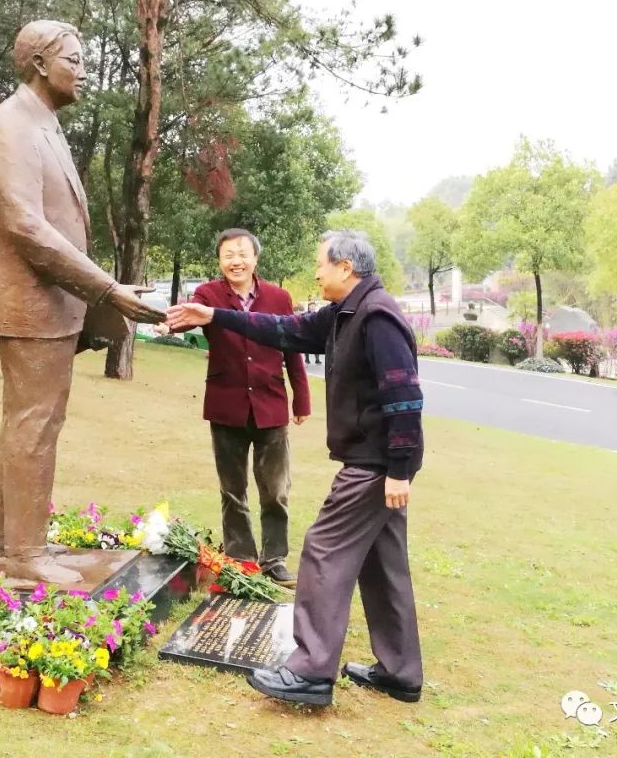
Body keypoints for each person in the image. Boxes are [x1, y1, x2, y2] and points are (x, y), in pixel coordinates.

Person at [167, 229, 424, 707]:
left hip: (375, 463)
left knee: (324, 549)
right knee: (383, 563)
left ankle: (310, 671)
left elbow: (405, 396)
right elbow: (284, 330)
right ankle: (401, 672)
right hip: (374, 460)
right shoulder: (346, 312)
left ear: (346, 268)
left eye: (321, 264)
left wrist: (399, 469)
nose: (316, 272)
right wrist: (214, 315)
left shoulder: (378, 315)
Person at [0, 20, 163, 583]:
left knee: (33, 420)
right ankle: (24, 556)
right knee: (33, 422)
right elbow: (27, 227)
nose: (84, 70)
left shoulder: (44, 125)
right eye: (75, 60)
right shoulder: (10, 124)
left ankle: (11, 541)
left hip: (54, 306)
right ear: (40, 63)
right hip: (32, 304)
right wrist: (106, 289)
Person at [160, 228, 311, 588]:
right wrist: (170, 326)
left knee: (275, 489)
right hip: (226, 408)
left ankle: (274, 559)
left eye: (242, 253)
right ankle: (241, 559)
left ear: (255, 258)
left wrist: (301, 397)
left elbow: (292, 350)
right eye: (228, 254)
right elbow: (188, 319)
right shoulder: (208, 295)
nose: (235, 261)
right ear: (220, 261)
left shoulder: (278, 297)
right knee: (233, 489)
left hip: (270, 406)